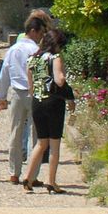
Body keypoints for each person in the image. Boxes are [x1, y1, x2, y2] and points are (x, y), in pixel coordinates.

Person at [0, 12, 48, 185]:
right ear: (33, 31)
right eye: (40, 33)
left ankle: (14, 172)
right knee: (36, 135)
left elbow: (4, 73)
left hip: (17, 94)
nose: (41, 37)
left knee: (15, 133)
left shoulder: (13, 49)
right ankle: (32, 174)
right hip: (34, 94)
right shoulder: (36, 50)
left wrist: (1, 96)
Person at [22, 29, 74, 194]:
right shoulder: (55, 58)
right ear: (56, 44)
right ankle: (51, 181)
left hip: (37, 102)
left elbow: (30, 86)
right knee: (54, 144)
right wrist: (69, 94)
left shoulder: (32, 59)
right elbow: (59, 80)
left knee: (41, 142)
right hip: (53, 103)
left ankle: (28, 177)